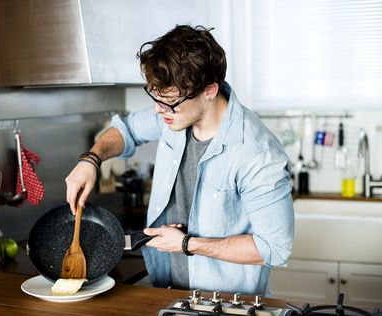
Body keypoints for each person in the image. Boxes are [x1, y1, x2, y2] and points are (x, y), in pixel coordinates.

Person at [65, 25, 294, 295]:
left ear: (209, 90)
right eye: (155, 97)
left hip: (224, 304)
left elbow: (274, 248)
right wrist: (91, 160)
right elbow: (127, 130)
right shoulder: (173, 116)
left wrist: (188, 244)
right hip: (167, 291)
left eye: (170, 101)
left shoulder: (258, 153)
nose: (158, 110)